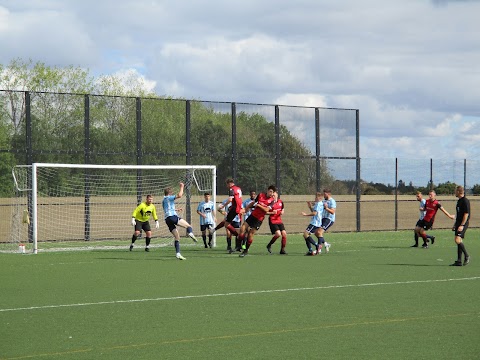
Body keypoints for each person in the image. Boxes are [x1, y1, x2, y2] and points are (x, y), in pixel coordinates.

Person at [162, 182, 198, 260]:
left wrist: (176, 209)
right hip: (172, 217)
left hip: (167, 219)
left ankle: (178, 254)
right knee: (188, 226)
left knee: (177, 237)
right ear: (170, 193)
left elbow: (167, 209)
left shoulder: (163, 200)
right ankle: (190, 233)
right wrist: (182, 187)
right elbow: (180, 195)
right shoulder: (169, 197)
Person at [239, 185, 277, 257]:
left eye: (273, 192)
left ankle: (246, 250)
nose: (271, 194)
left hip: (259, 219)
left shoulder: (272, 201)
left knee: (250, 234)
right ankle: (239, 244)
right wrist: (246, 209)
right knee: (242, 228)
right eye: (270, 192)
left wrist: (259, 206)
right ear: (267, 190)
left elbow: (266, 210)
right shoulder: (260, 195)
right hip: (253, 215)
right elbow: (253, 202)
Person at [450, 186, 470, 266]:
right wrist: (455, 225)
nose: (455, 192)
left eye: (455, 191)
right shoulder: (459, 201)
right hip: (458, 223)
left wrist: (462, 225)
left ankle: (467, 256)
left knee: (457, 240)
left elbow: (466, 214)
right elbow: (459, 215)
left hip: (463, 223)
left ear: (459, 191)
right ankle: (459, 261)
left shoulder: (465, 201)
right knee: (458, 240)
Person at [266, 190, 287, 255]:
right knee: (278, 234)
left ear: (277, 195)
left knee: (284, 234)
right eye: (272, 196)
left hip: (279, 220)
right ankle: (269, 245)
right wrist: (272, 212)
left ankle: (282, 250)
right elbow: (265, 212)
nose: (273, 197)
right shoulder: (270, 203)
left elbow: (282, 209)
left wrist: (282, 212)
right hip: (272, 220)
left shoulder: (281, 202)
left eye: (274, 195)